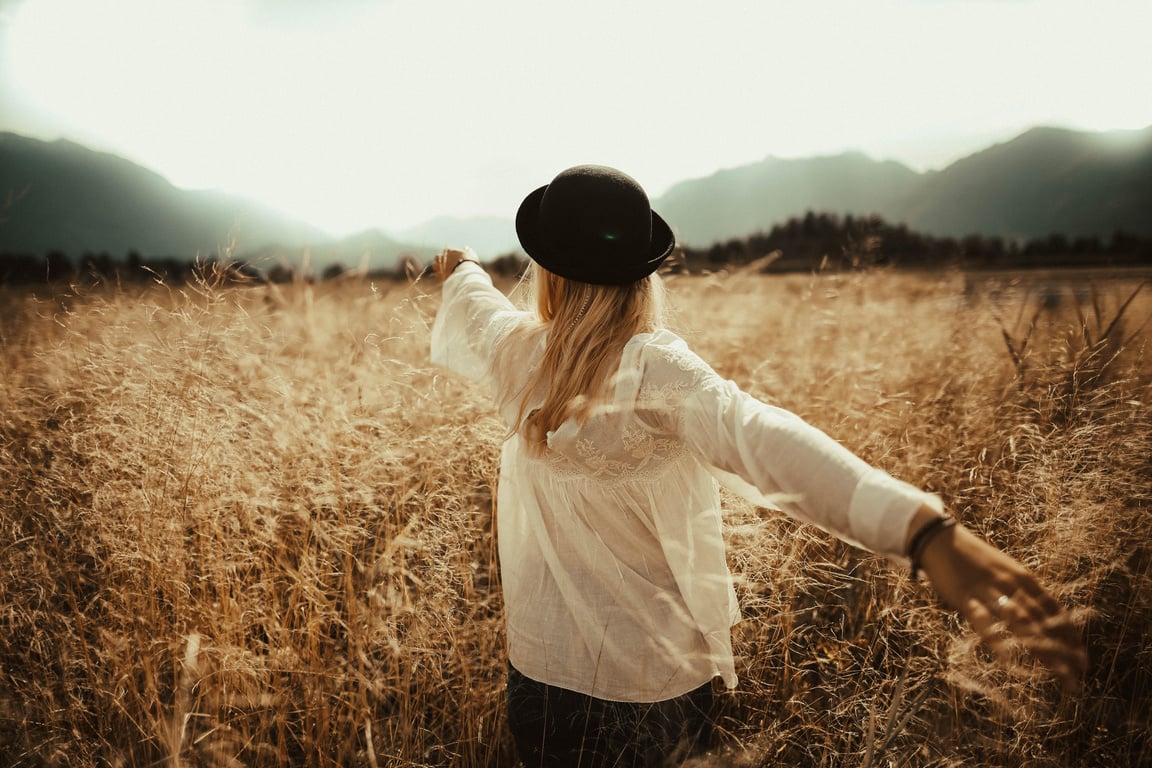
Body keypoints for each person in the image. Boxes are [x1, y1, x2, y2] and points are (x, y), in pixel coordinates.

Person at [429, 165, 1086, 767]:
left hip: (540, 686)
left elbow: (475, 301)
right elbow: (763, 438)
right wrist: (920, 529)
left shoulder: (514, 353)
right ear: (641, 274)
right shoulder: (654, 368)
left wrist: (458, 266)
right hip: (652, 691)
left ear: (548, 271)